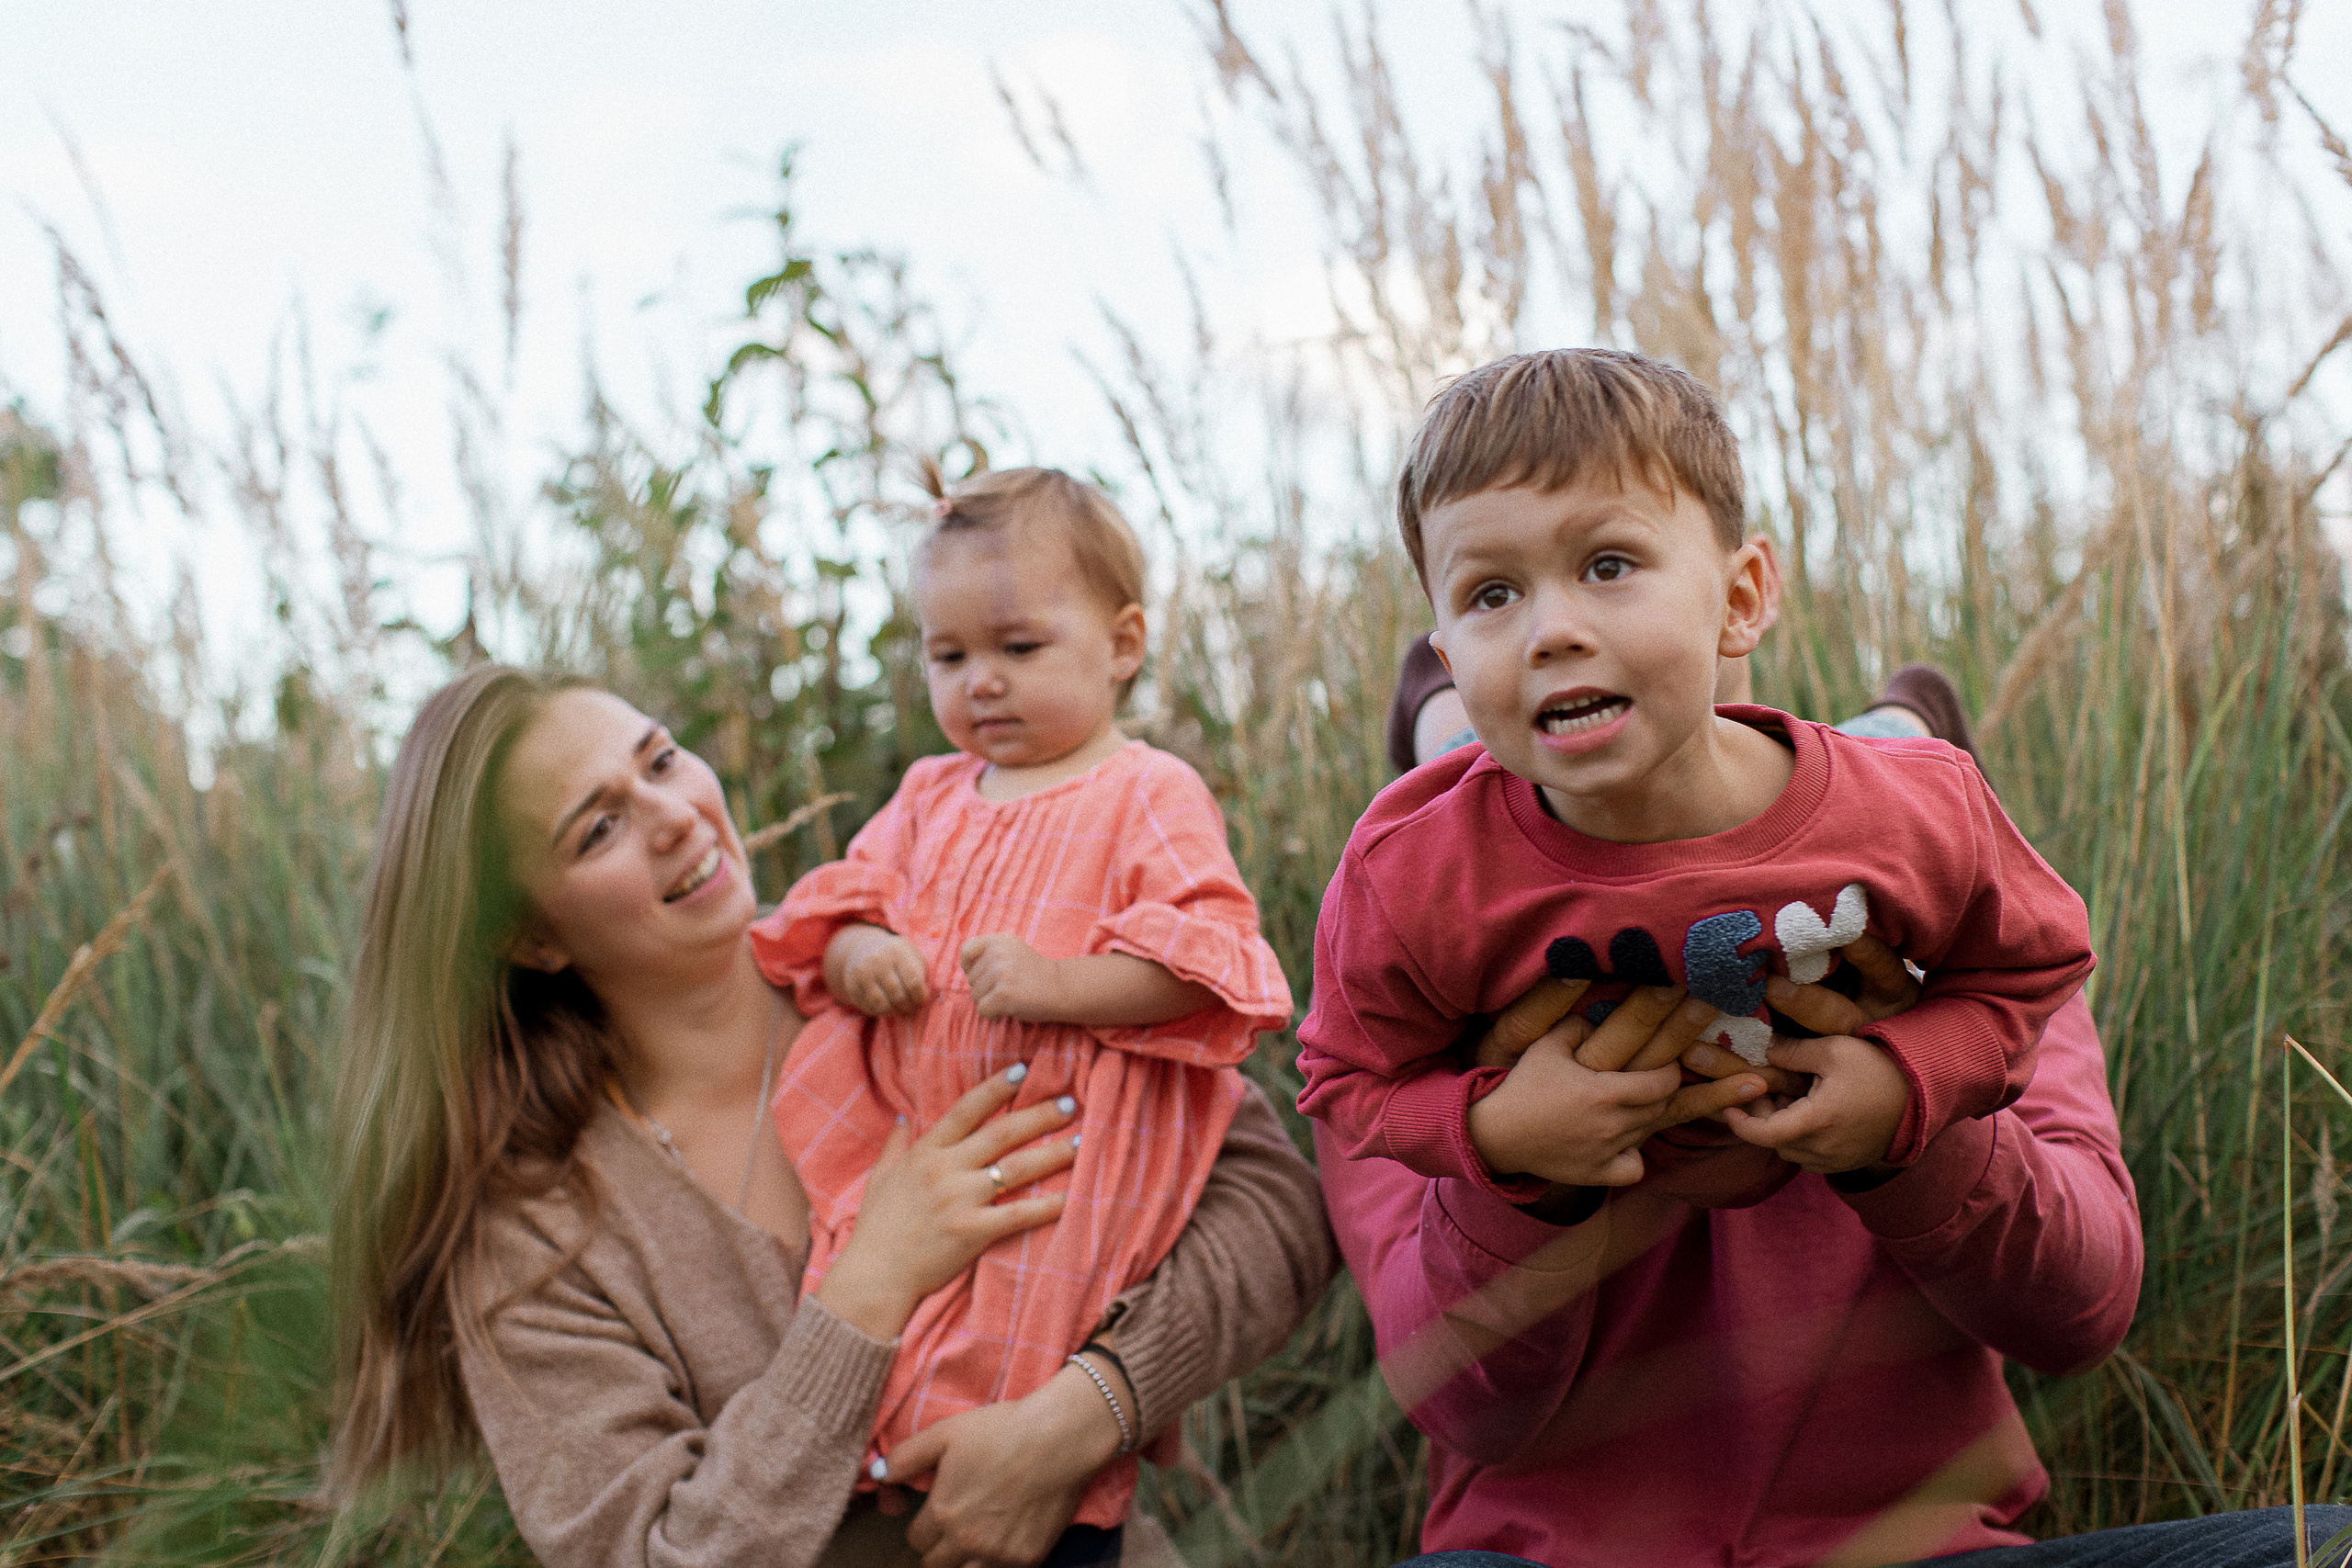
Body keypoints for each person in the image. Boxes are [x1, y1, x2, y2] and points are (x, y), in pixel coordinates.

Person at [329, 665, 1337, 1568]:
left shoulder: (906, 968)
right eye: (598, 828)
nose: (674, 815)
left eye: (662, 761)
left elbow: (1274, 1205)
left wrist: (1081, 1416)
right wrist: (866, 1290)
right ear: (532, 937)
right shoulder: (535, 1229)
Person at [1296, 349, 2094, 1207]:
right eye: (1493, 593)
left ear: (1742, 598)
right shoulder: (1406, 868)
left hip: (1804, 770)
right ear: (1448, 651)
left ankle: (1899, 720)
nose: (1550, 630)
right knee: (1464, 764)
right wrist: (1491, 1129)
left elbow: (2036, 963)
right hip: (1502, 783)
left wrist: (1912, 1079)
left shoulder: (1919, 807)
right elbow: (1345, 1079)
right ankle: (1439, 717)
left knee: (1864, 754)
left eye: (1607, 565)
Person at [752, 468, 1294, 1547]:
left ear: (1121, 644)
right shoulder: (926, 794)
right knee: (894, 1321)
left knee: (1032, 1333)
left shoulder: (1143, 791)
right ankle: (896, 1477)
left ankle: (1044, 1502)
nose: (981, 684)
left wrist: (1059, 985)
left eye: (1019, 648)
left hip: (1070, 1151)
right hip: (922, 1138)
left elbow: (1216, 969)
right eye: (949, 656)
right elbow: (846, 906)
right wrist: (863, 955)